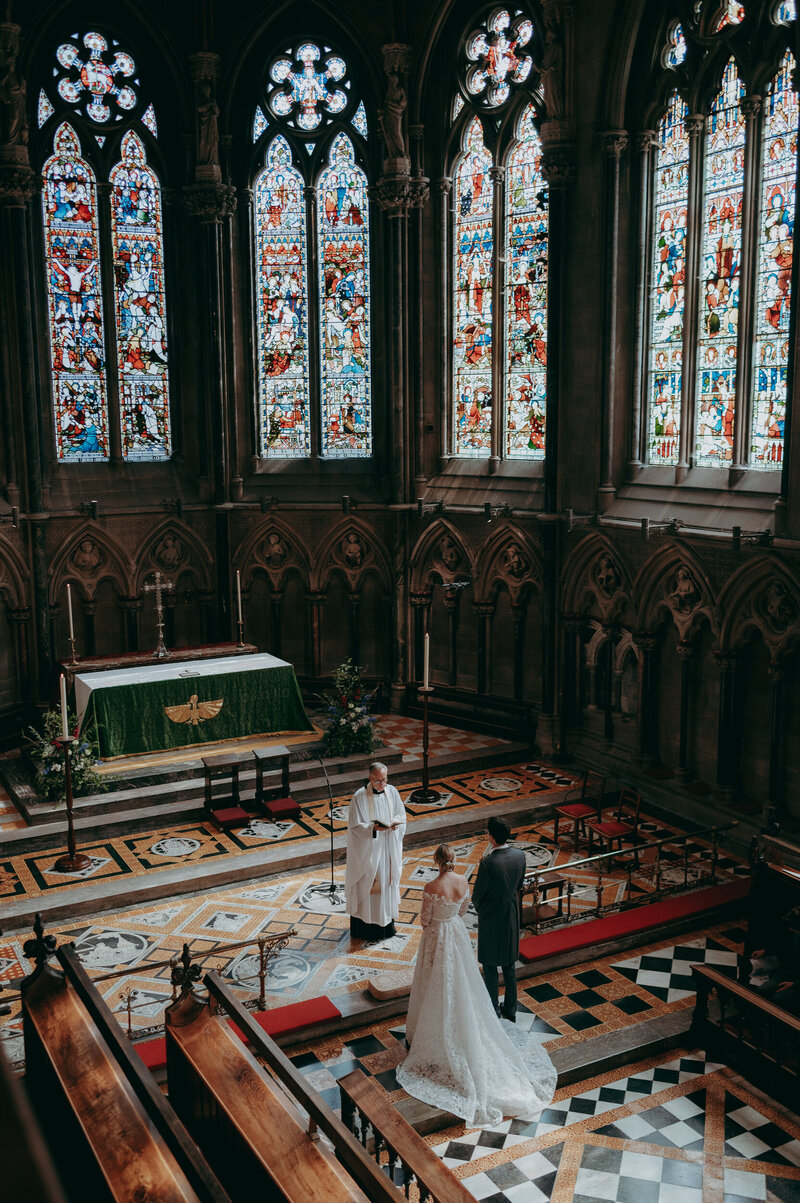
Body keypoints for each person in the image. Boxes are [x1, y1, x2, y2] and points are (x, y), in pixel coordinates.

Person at [396, 843, 556, 1127]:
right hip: (456, 936)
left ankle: (431, 1029)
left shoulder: (431, 886)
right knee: (462, 986)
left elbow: (424, 920)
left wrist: (437, 926)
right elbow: (462, 911)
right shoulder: (462, 881)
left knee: (434, 984)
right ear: (454, 860)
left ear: (435, 861)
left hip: (437, 939)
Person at [472, 816, 526, 1021]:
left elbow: (477, 896)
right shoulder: (520, 855)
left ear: (491, 837)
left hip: (492, 916)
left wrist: (483, 909)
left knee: (490, 965)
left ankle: (493, 1008)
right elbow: (519, 884)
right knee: (509, 964)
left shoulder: (488, 863)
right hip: (511, 914)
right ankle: (511, 1008)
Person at [345, 761, 406, 941]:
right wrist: (372, 828)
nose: (382, 784)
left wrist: (395, 825)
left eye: (385, 779)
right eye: (378, 780)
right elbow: (355, 827)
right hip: (369, 852)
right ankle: (365, 929)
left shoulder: (392, 791)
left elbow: (401, 814)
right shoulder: (359, 797)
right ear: (370, 778)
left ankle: (386, 927)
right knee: (371, 883)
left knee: (386, 883)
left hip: (388, 847)